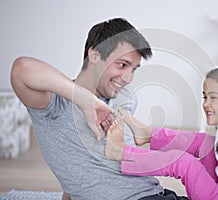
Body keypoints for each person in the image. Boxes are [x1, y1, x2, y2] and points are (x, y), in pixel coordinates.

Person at [10, 18, 188, 200]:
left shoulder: (125, 98)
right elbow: (22, 68)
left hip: (159, 193)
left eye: (134, 69)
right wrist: (85, 100)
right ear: (94, 55)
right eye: (123, 65)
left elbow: (86, 169)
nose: (128, 78)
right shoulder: (54, 105)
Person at [105, 65, 218, 200]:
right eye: (204, 97)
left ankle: (124, 154)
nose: (206, 104)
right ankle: (146, 134)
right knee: (207, 143)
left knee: (184, 162)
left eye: (213, 98)